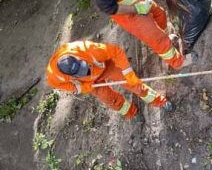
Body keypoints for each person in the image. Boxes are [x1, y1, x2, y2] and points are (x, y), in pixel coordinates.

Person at [46, 40, 174, 119]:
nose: (86, 70)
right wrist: (81, 88)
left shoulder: (88, 49)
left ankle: (159, 101)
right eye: (81, 72)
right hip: (90, 83)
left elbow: (116, 52)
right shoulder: (54, 76)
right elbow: (62, 86)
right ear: (71, 76)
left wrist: (128, 72)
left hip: (106, 67)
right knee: (108, 99)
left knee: (135, 85)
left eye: (84, 66)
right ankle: (130, 112)